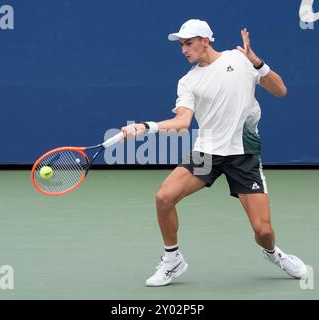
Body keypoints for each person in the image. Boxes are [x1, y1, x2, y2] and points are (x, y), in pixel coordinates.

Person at [121, 19, 308, 286]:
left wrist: (257, 62)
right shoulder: (188, 81)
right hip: (207, 153)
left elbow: (280, 90)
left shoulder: (239, 59)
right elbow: (182, 122)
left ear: (205, 40)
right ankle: (172, 259)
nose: (184, 49)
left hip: (243, 154)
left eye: (189, 43)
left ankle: (274, 254)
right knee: (163, 197)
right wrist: (146, 127)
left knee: (263, 231)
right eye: (181, 44)